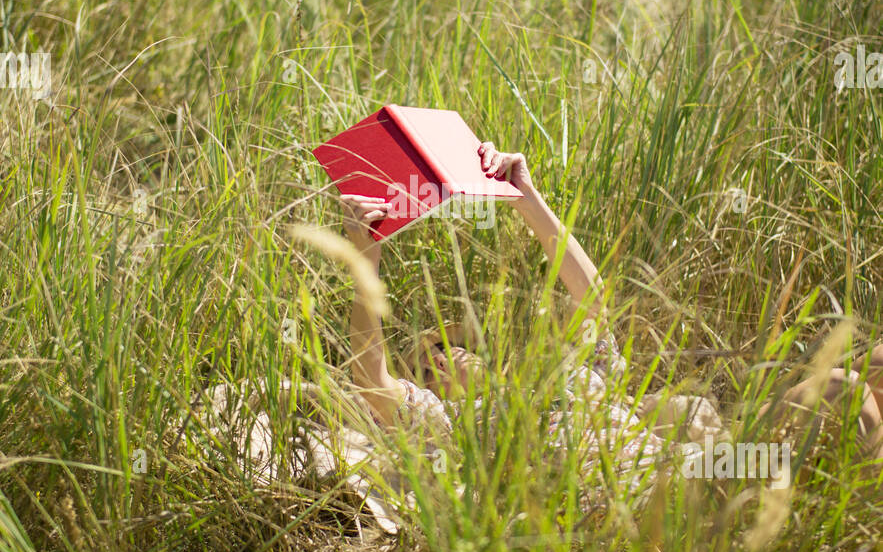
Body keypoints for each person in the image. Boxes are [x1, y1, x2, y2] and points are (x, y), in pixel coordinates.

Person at [340, 140, 883, 506]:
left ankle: (840, 506)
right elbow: (371, 375)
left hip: (709, 457)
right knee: (844, 391)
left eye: (444, 343)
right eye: (425, 366)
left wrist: (526, 197)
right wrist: (366, 255)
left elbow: (593, 298)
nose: (439, 354)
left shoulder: (560, 374)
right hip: (667, 497)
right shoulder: (460, 427)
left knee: (874, 364)